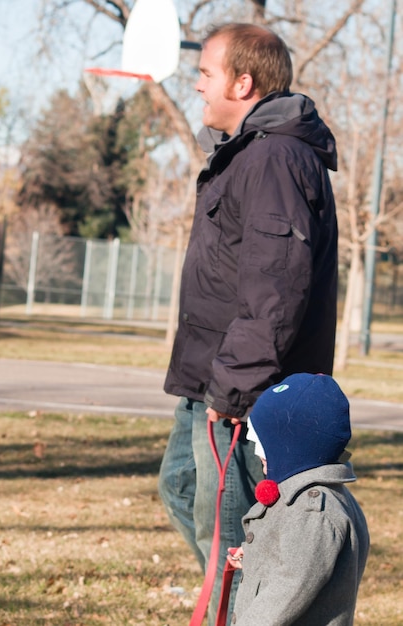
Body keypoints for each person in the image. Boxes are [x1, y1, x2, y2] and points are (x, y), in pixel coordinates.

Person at [158, 22, 339, 625]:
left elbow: (277, 286)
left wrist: (237, 386)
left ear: (243, 80)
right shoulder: (251, 153)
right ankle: (237, 605)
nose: (197, 83)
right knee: (182, 489)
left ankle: (247, 614)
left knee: (236, 538)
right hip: (209, 379)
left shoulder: (275, 158)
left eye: (206, 73)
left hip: (243, 391)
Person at [229, 373, 370, 625]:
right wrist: (255, 555)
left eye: (264, 442)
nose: (256, 449)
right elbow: (295, 557)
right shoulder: (310, 496)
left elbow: (290, 586)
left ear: (293, 444)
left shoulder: (313, 511)